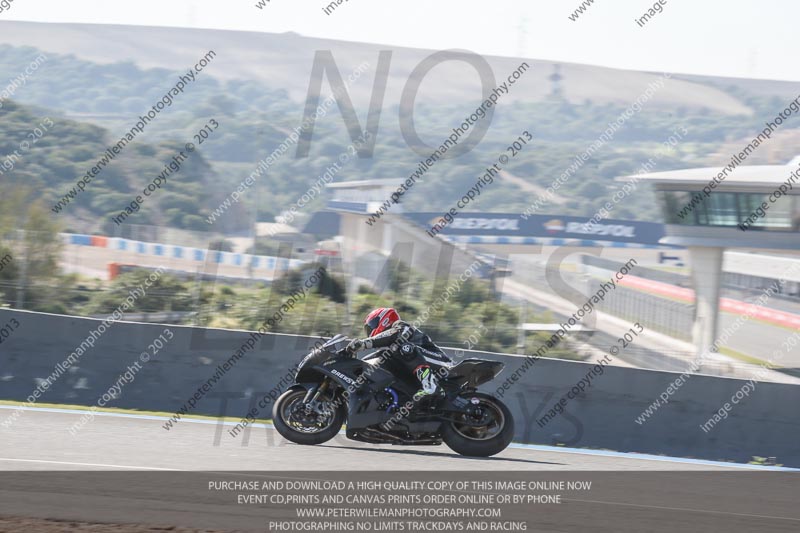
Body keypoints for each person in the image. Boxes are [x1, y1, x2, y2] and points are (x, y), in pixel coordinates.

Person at [347, 308, 453, 397]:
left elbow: (395, 335)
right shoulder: (387, 349)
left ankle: (430, 386)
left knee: (404, 347)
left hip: (441, 362)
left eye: (371, 326)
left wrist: (364, 343)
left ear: (384, 320)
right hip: (422, 369)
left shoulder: (401, 325)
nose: (370, 332)